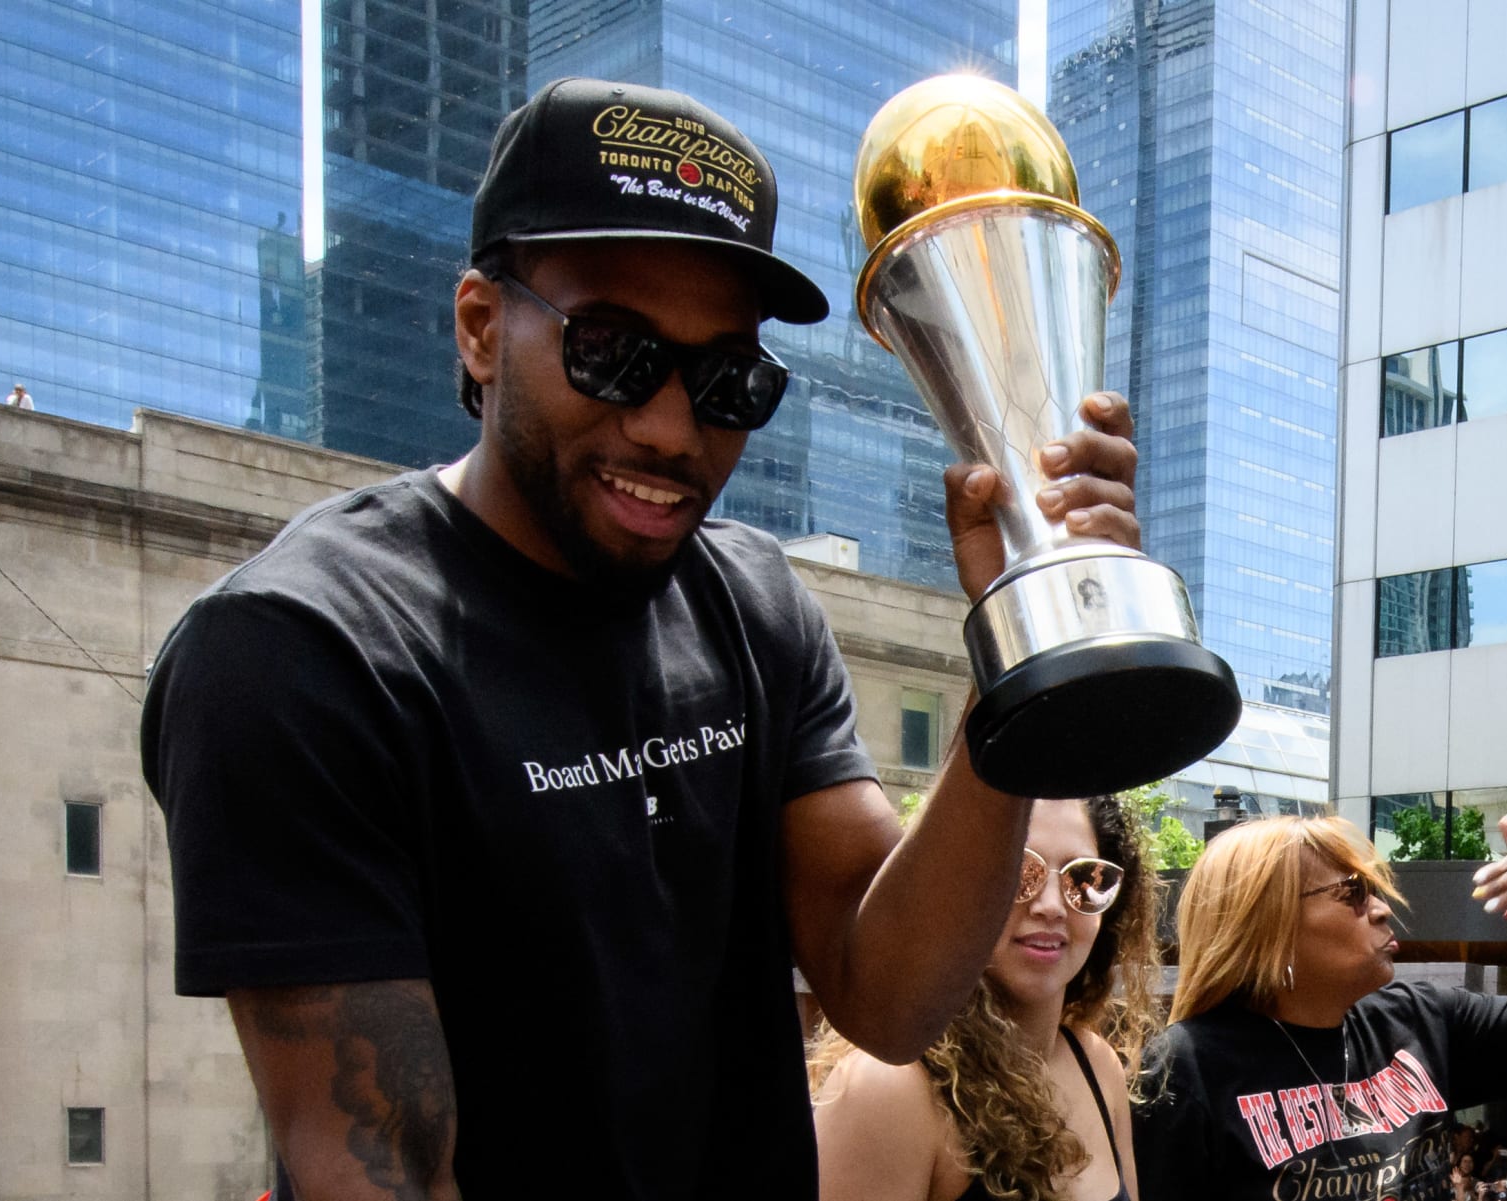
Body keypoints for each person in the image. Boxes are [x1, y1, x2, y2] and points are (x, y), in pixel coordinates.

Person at [140, 76, 1143, 1201]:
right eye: (611, 353)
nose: (671, 428)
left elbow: (890, 992)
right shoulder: (302, 650)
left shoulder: (757, 604)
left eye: (728, 382)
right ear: (481, 325)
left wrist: (1017, 637)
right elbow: (384, 1169)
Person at [1134, 814, 1507, 1201]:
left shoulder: (1421, 1020)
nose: (1382, 908)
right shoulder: (1187, 1066)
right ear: (1268, 922)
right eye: (1351, 892)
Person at [811, 797, 1159, 1201]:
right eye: (1016, 871)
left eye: (1084, 879)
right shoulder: (888, 1087)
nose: (1051, 906)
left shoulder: (1097, 1065)